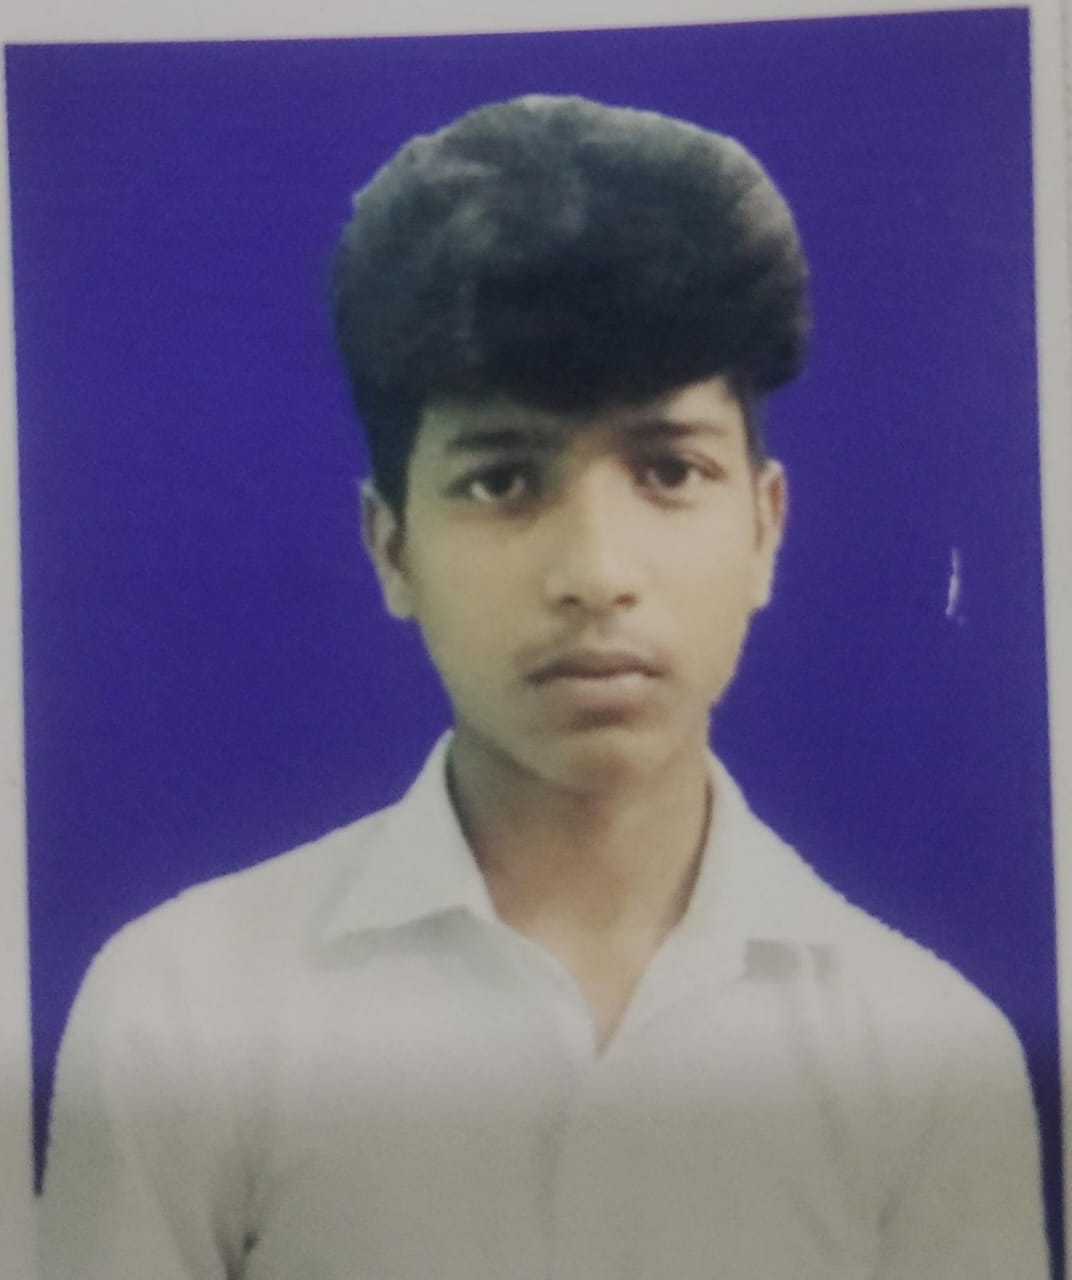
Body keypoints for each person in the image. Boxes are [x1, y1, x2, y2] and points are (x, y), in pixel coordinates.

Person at [38, 95, 1050, 1279]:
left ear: (764, 528)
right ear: (391, 547)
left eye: (667, 468)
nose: (595, 571)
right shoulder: (184, 1011)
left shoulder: (931, 1059)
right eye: (502, 479)